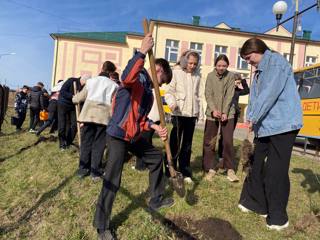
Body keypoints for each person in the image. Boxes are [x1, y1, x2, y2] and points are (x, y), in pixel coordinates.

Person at [93, 34, 173, 240]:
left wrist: (154, 127)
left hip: (133, 135)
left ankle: (155, 198)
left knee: (156, 158)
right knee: (113, 178)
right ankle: (102, 226)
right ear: (159, 70)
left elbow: (140, 118)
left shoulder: (147, 92)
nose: (160, 85)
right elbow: (127, 77)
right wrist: (142, 52)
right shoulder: (139, 78)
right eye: (162, 80)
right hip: (118, 135)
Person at [237, 38, 303, 230]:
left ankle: (278, 217)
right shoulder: (259, 70)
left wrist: (252, 117)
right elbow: (256, 97)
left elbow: (268, 94)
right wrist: (251, 119)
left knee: (276, 170)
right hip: (265, 126)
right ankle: (255, 203)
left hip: (283, 125)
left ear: (258, 50)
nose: (248, 62)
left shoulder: (275, 63)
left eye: (249, 58)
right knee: (254, 162)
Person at [72, 62, 119, 181]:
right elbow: (115, 104)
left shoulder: (90, 81)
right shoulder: (114, 86)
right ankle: (95, 171)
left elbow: (79, 98)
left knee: (86, 142)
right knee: (99, 145)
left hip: (89, 115)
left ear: (102, 68)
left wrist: (74, 98)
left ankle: (83, 169)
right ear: (111, 72)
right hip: (103, 117)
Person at [164, 50, 201, 184]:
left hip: (191, 115)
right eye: (190, 63)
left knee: (187, 145)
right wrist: (173, 104)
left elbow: (197, 95)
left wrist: (198, 112)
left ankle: (185, 171)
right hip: (179, 113)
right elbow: (168, 92)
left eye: (195, 64)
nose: (192, 66)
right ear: (185, 61)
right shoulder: (176, 72)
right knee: (175, 143)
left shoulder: (197, 75)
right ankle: (169, 170)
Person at [202, 54, 239, 182]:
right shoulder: (210, 76)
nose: (221, 68)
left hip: (228, 113)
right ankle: (209, 167)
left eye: (224, 65)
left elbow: (230, 95)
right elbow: (208, 93)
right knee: (210, 141)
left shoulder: (231, 76)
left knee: (227, 141)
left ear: (227, 66)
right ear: (215, 65)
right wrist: (213, 110)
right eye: (219, 65)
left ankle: (230, 168)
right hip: (212, 113)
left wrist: (224, 112)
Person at [217, 73, 250, 163]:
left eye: (238, 83)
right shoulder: (226, 89)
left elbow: (247, 90)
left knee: (230, 135)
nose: (237, 84)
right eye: (236, 82)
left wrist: (243, 80)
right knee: (223, 135)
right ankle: (220, 155)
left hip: (234, 115)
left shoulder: (238, 91)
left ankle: (226, 154)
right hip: (226, 114)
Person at [57, 76, 87, 150]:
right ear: (82, 80)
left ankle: (68, 142)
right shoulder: (71, 81)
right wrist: (72, 96)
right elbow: (62, 91)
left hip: (73, 106)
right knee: (62, 125)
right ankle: (62, 144)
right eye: (85, 84)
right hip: (63, 104)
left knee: (75, 125)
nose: (84, 86)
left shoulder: (84, 87)